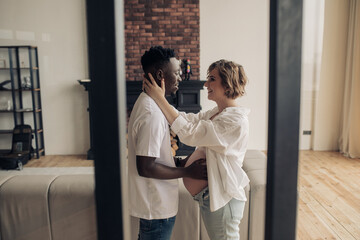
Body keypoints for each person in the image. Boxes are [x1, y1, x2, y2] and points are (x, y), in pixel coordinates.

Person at [143, 59, 250, 240]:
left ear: (227, 83)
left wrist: (159, 99)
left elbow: (190, 133)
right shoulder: (217, 113)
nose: (206, 84)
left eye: (212, 79)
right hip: (210, 197)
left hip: (223, 199)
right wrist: (160, 100)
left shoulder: (235, 121)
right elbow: (188, 119)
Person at [127, 46, 207, 240]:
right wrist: (188, 172)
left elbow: (153, 155)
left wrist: (178, 162)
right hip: (156, 207)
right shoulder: (151, 112)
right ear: (161, 74)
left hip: (155, 204)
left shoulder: (152, 104)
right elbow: (145, 167)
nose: (180, 78)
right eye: (177, 73)